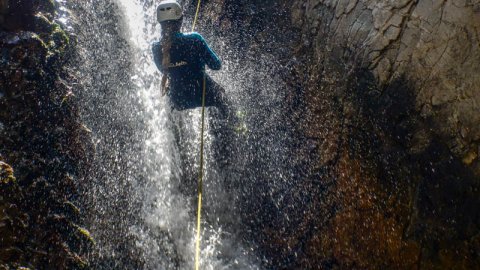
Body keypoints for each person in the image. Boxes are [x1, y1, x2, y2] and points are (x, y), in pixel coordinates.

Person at [152, 0, 230, 118]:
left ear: (160, 23)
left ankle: (175, 134)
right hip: (204, 94)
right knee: (223, 98)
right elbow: (216, 65)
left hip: (178, 100)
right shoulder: (195, 39)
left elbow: (163, 70)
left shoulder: (156, 47)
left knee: (170, 102)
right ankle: (229, 129)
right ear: (181, 20)